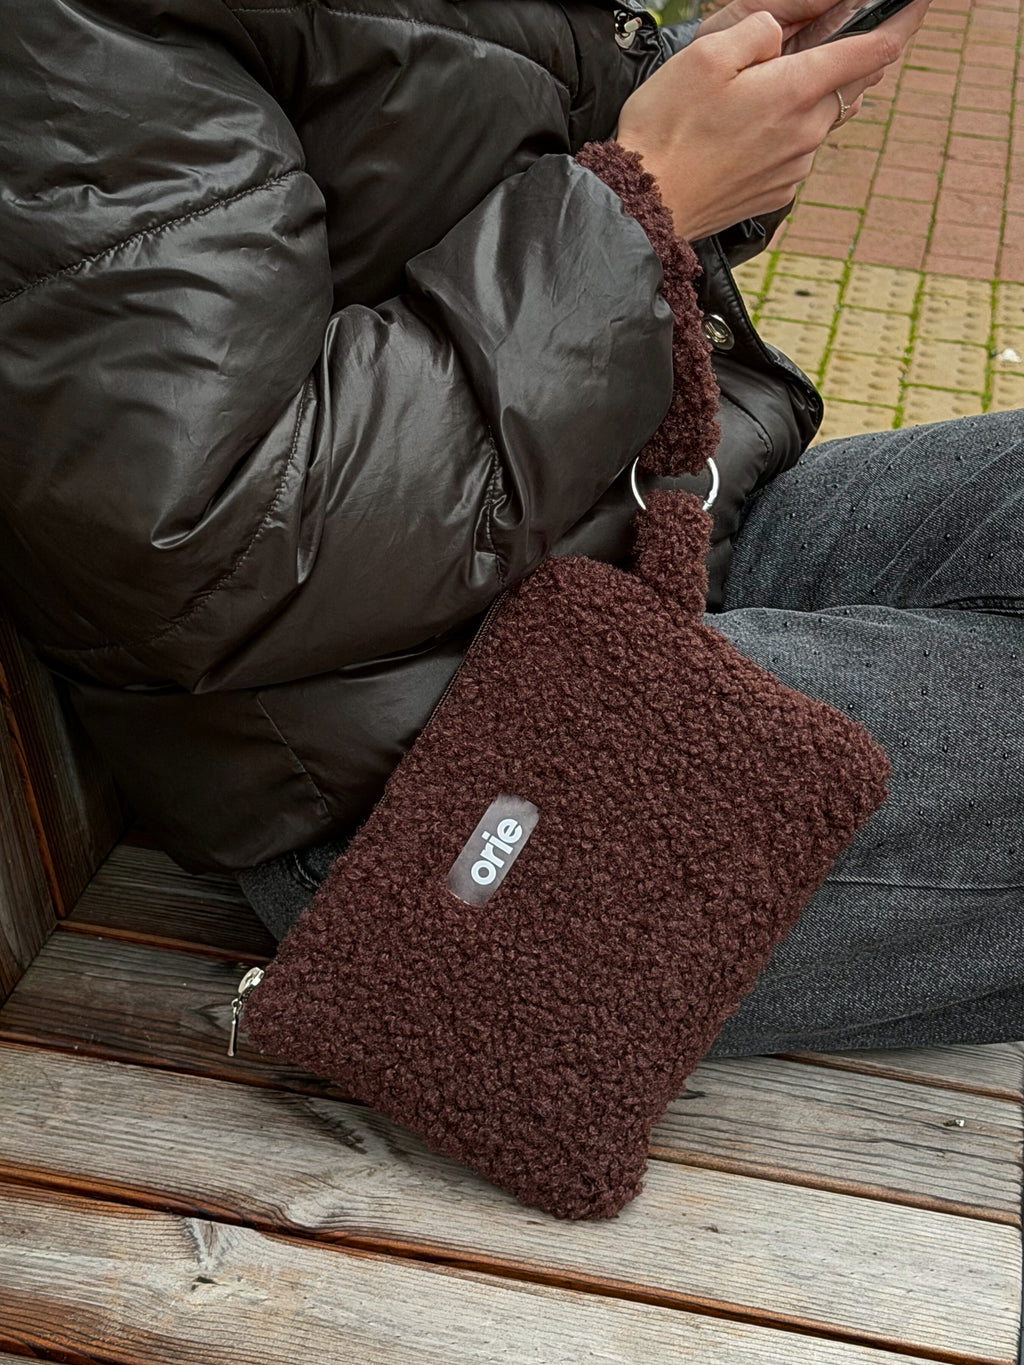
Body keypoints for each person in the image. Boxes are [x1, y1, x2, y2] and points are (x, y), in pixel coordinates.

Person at [1, 0, 1020, 1057]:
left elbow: (422, 198)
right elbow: (218, 543)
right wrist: (645, 204)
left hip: (636, 542)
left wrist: (706, 109)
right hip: (424, 788)